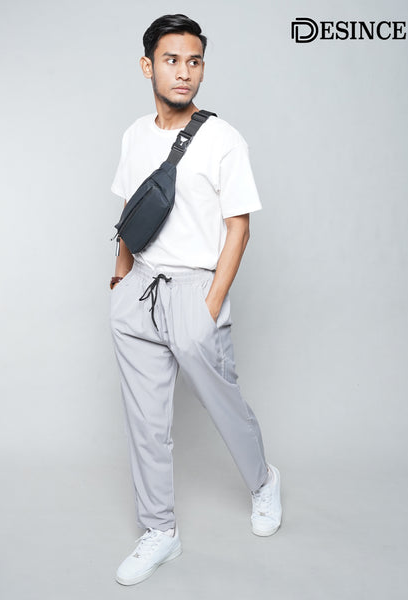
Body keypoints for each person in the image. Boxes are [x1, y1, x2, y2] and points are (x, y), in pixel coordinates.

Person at [109, 14, 282, 586]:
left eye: (194, 61)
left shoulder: (223, 140)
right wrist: (119, 279)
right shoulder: (135, 136)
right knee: (145, 422)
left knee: (224, 405)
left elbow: (239, 229)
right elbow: (130, 212)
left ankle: (264, 482)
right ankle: (159, 530)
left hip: (194, 292)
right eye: (171, 60)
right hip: (140, 289)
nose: (184, 72)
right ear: (148, 66)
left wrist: (208, 308)